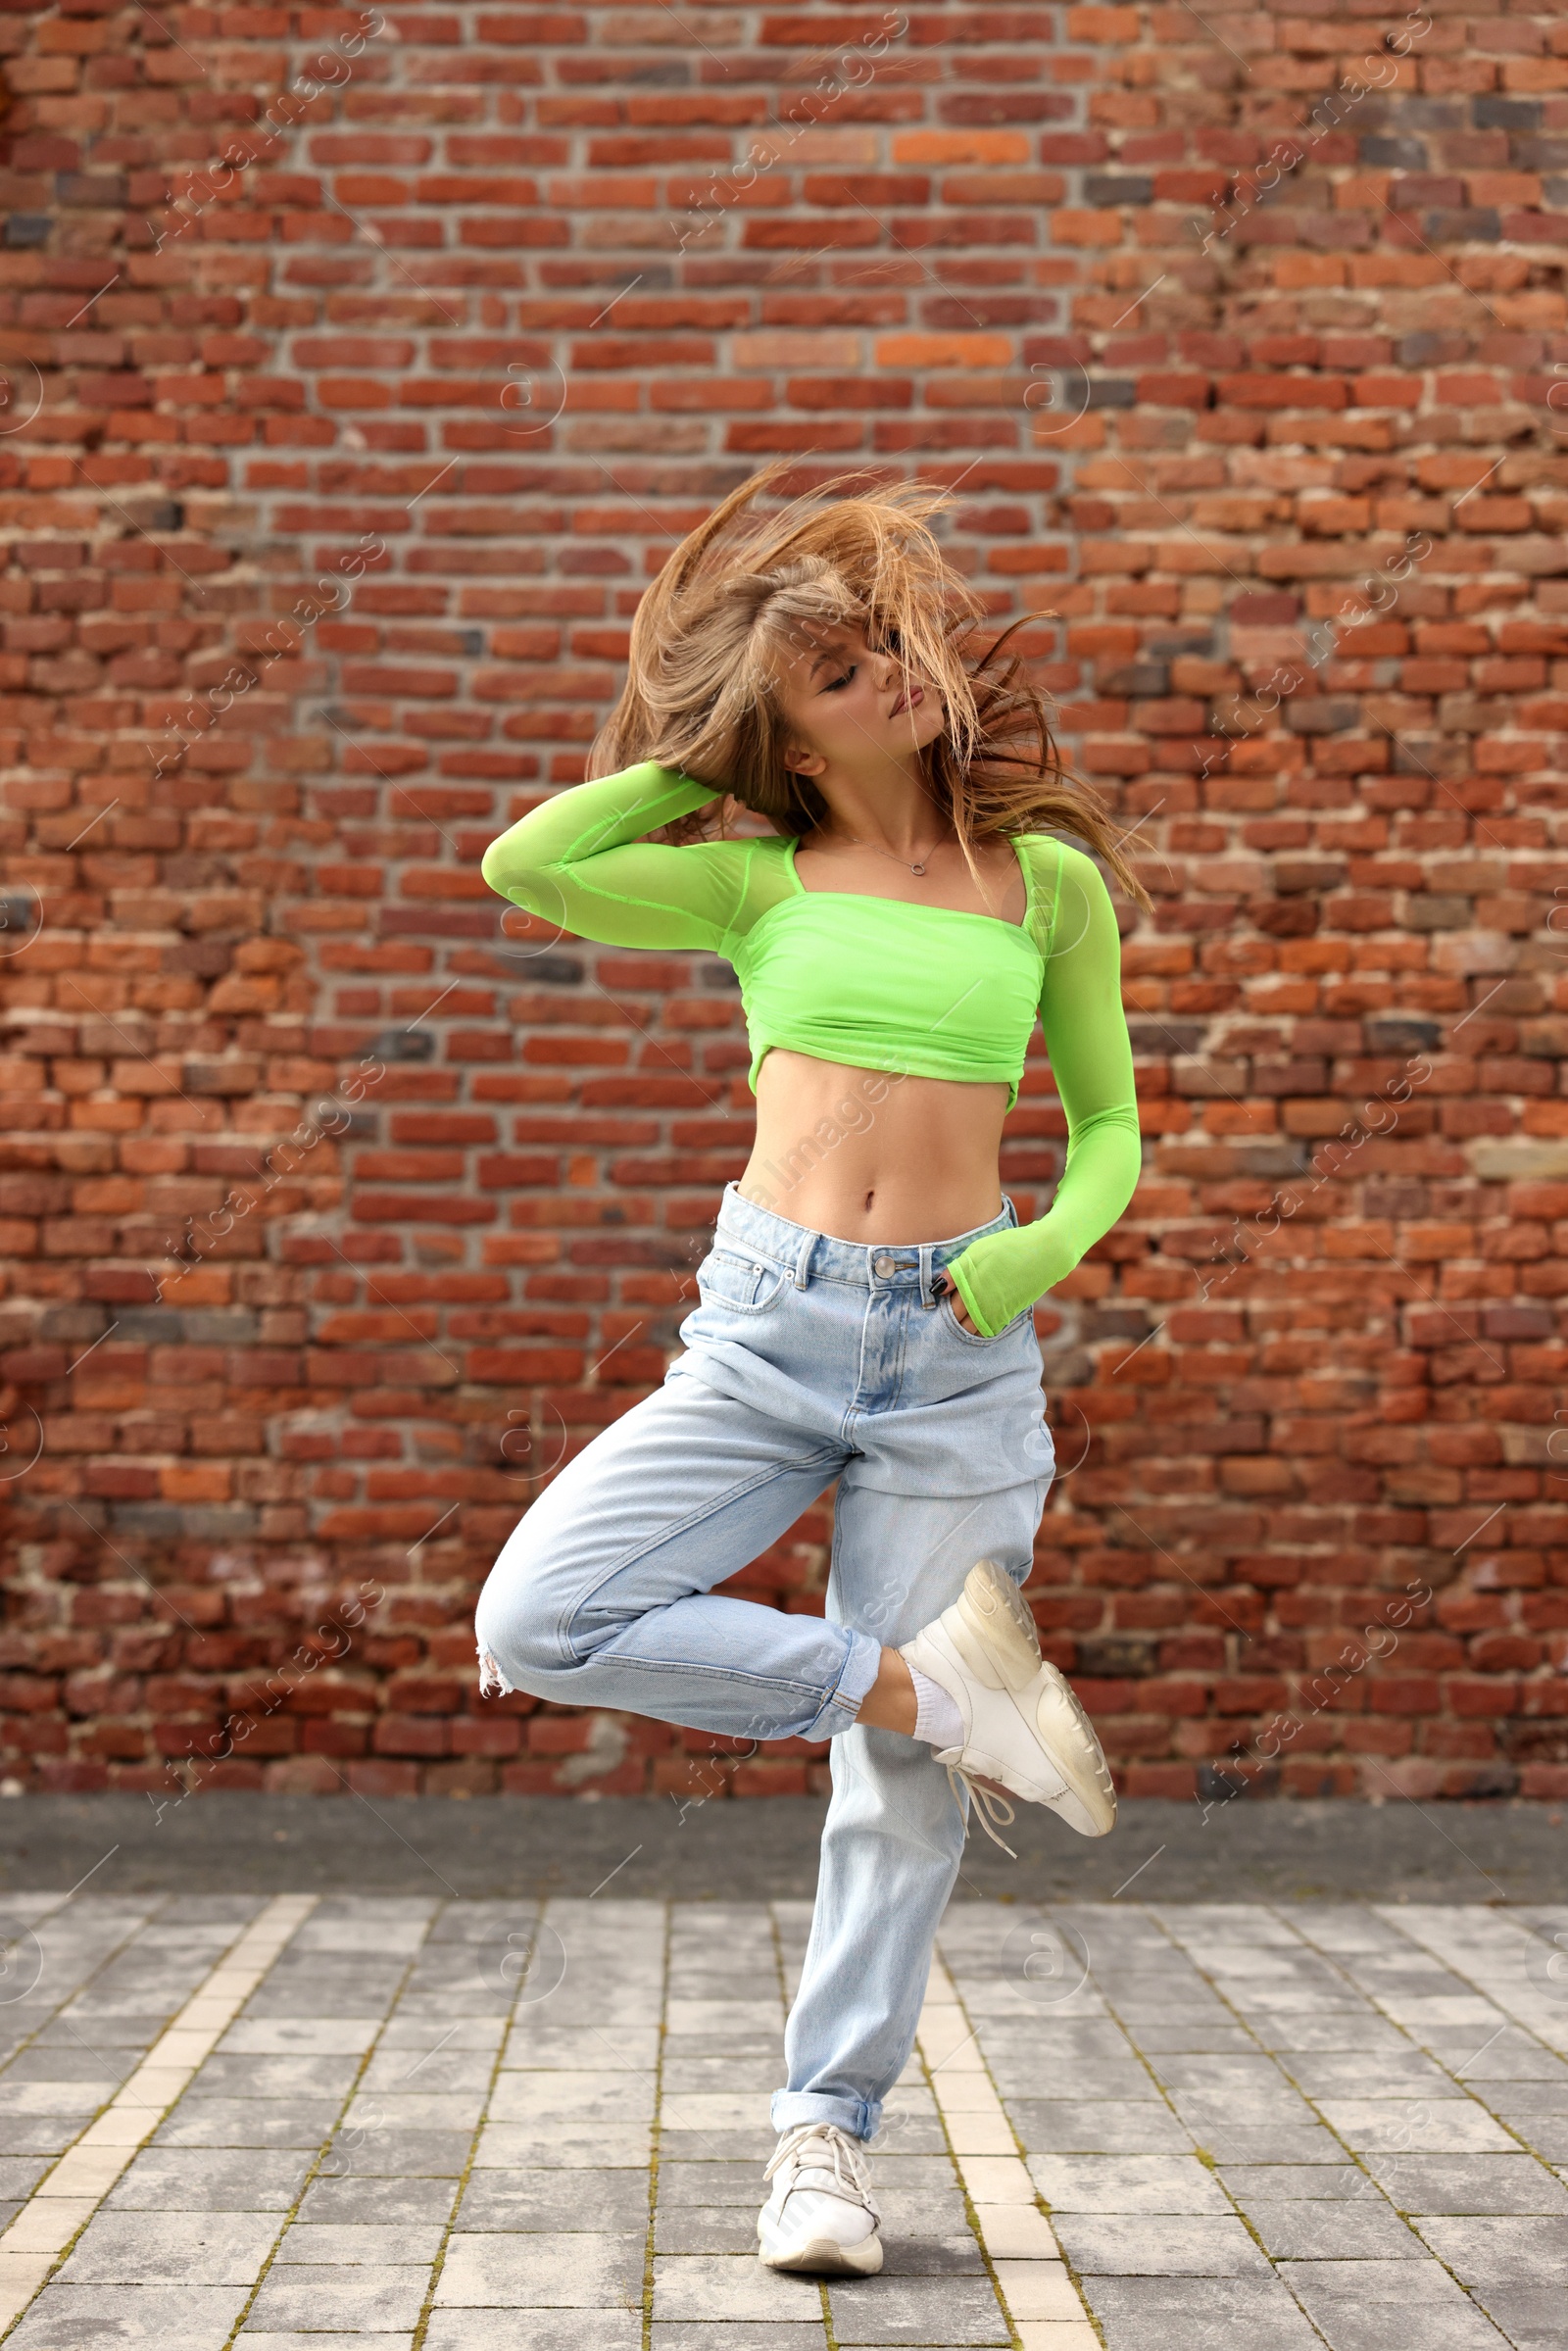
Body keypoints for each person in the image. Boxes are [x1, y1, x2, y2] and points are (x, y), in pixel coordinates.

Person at [473, 463, 1149, 2278]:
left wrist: (1037, 1251)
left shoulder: (1046, 885)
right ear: (785, 730)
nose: (890, 679)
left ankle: (822, 2146)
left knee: (892, 1800)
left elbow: (1109, 1131)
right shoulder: (751, 882)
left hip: (959, 1353)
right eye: (839, 675)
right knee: (540, 1619)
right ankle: (936, 1689)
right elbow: (525, 863)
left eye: (881, 651)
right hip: (764, 1338)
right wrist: (716, 747)